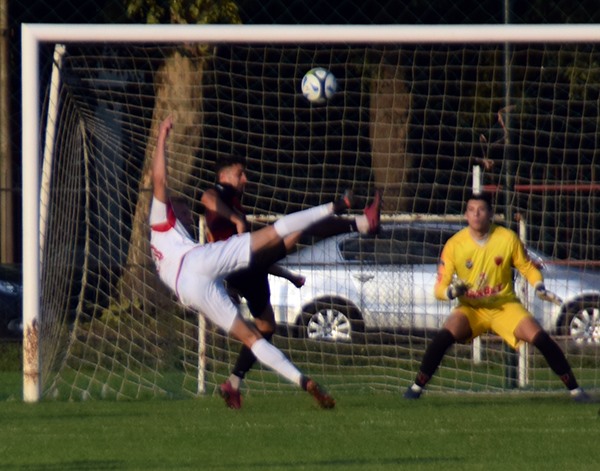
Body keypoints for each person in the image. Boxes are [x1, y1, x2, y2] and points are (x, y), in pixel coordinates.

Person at [149, 115, 353, 409]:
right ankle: (337, 206)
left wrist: (285, 275)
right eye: (182, 210)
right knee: (272, 232)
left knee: (252, 336)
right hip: (198, 264)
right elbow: (160, 180)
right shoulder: (159, 219)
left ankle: (301, 381)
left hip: (188, 291)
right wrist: (162, 136)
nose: (187, 215)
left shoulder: (166, 245)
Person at [201, 154, 382, 409]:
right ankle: (361, 222)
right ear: (223, 176)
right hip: (235, 266)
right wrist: (235, 218)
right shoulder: (222, 192)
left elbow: (260, 257)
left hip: (249, 270)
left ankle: (233, 383)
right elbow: (206, 197)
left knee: (266, 328)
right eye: (239, 173)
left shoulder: (234, 202)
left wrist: (288, 276)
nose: (245, 179)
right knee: (297, 226)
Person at [404, 192, 594, 403]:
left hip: (505, 305)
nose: (476, 214)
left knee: (540, 337)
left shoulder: (506, 238)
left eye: (481, 210)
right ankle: (416, 387)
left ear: (491, 214)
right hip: (471, 308)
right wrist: (451, 292)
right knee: (445, 335)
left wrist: (539, 285)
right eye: (471, 210)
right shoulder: (454, 245)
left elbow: (528, 268)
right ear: (466, 215)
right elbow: (439, 288)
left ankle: (576, 391)